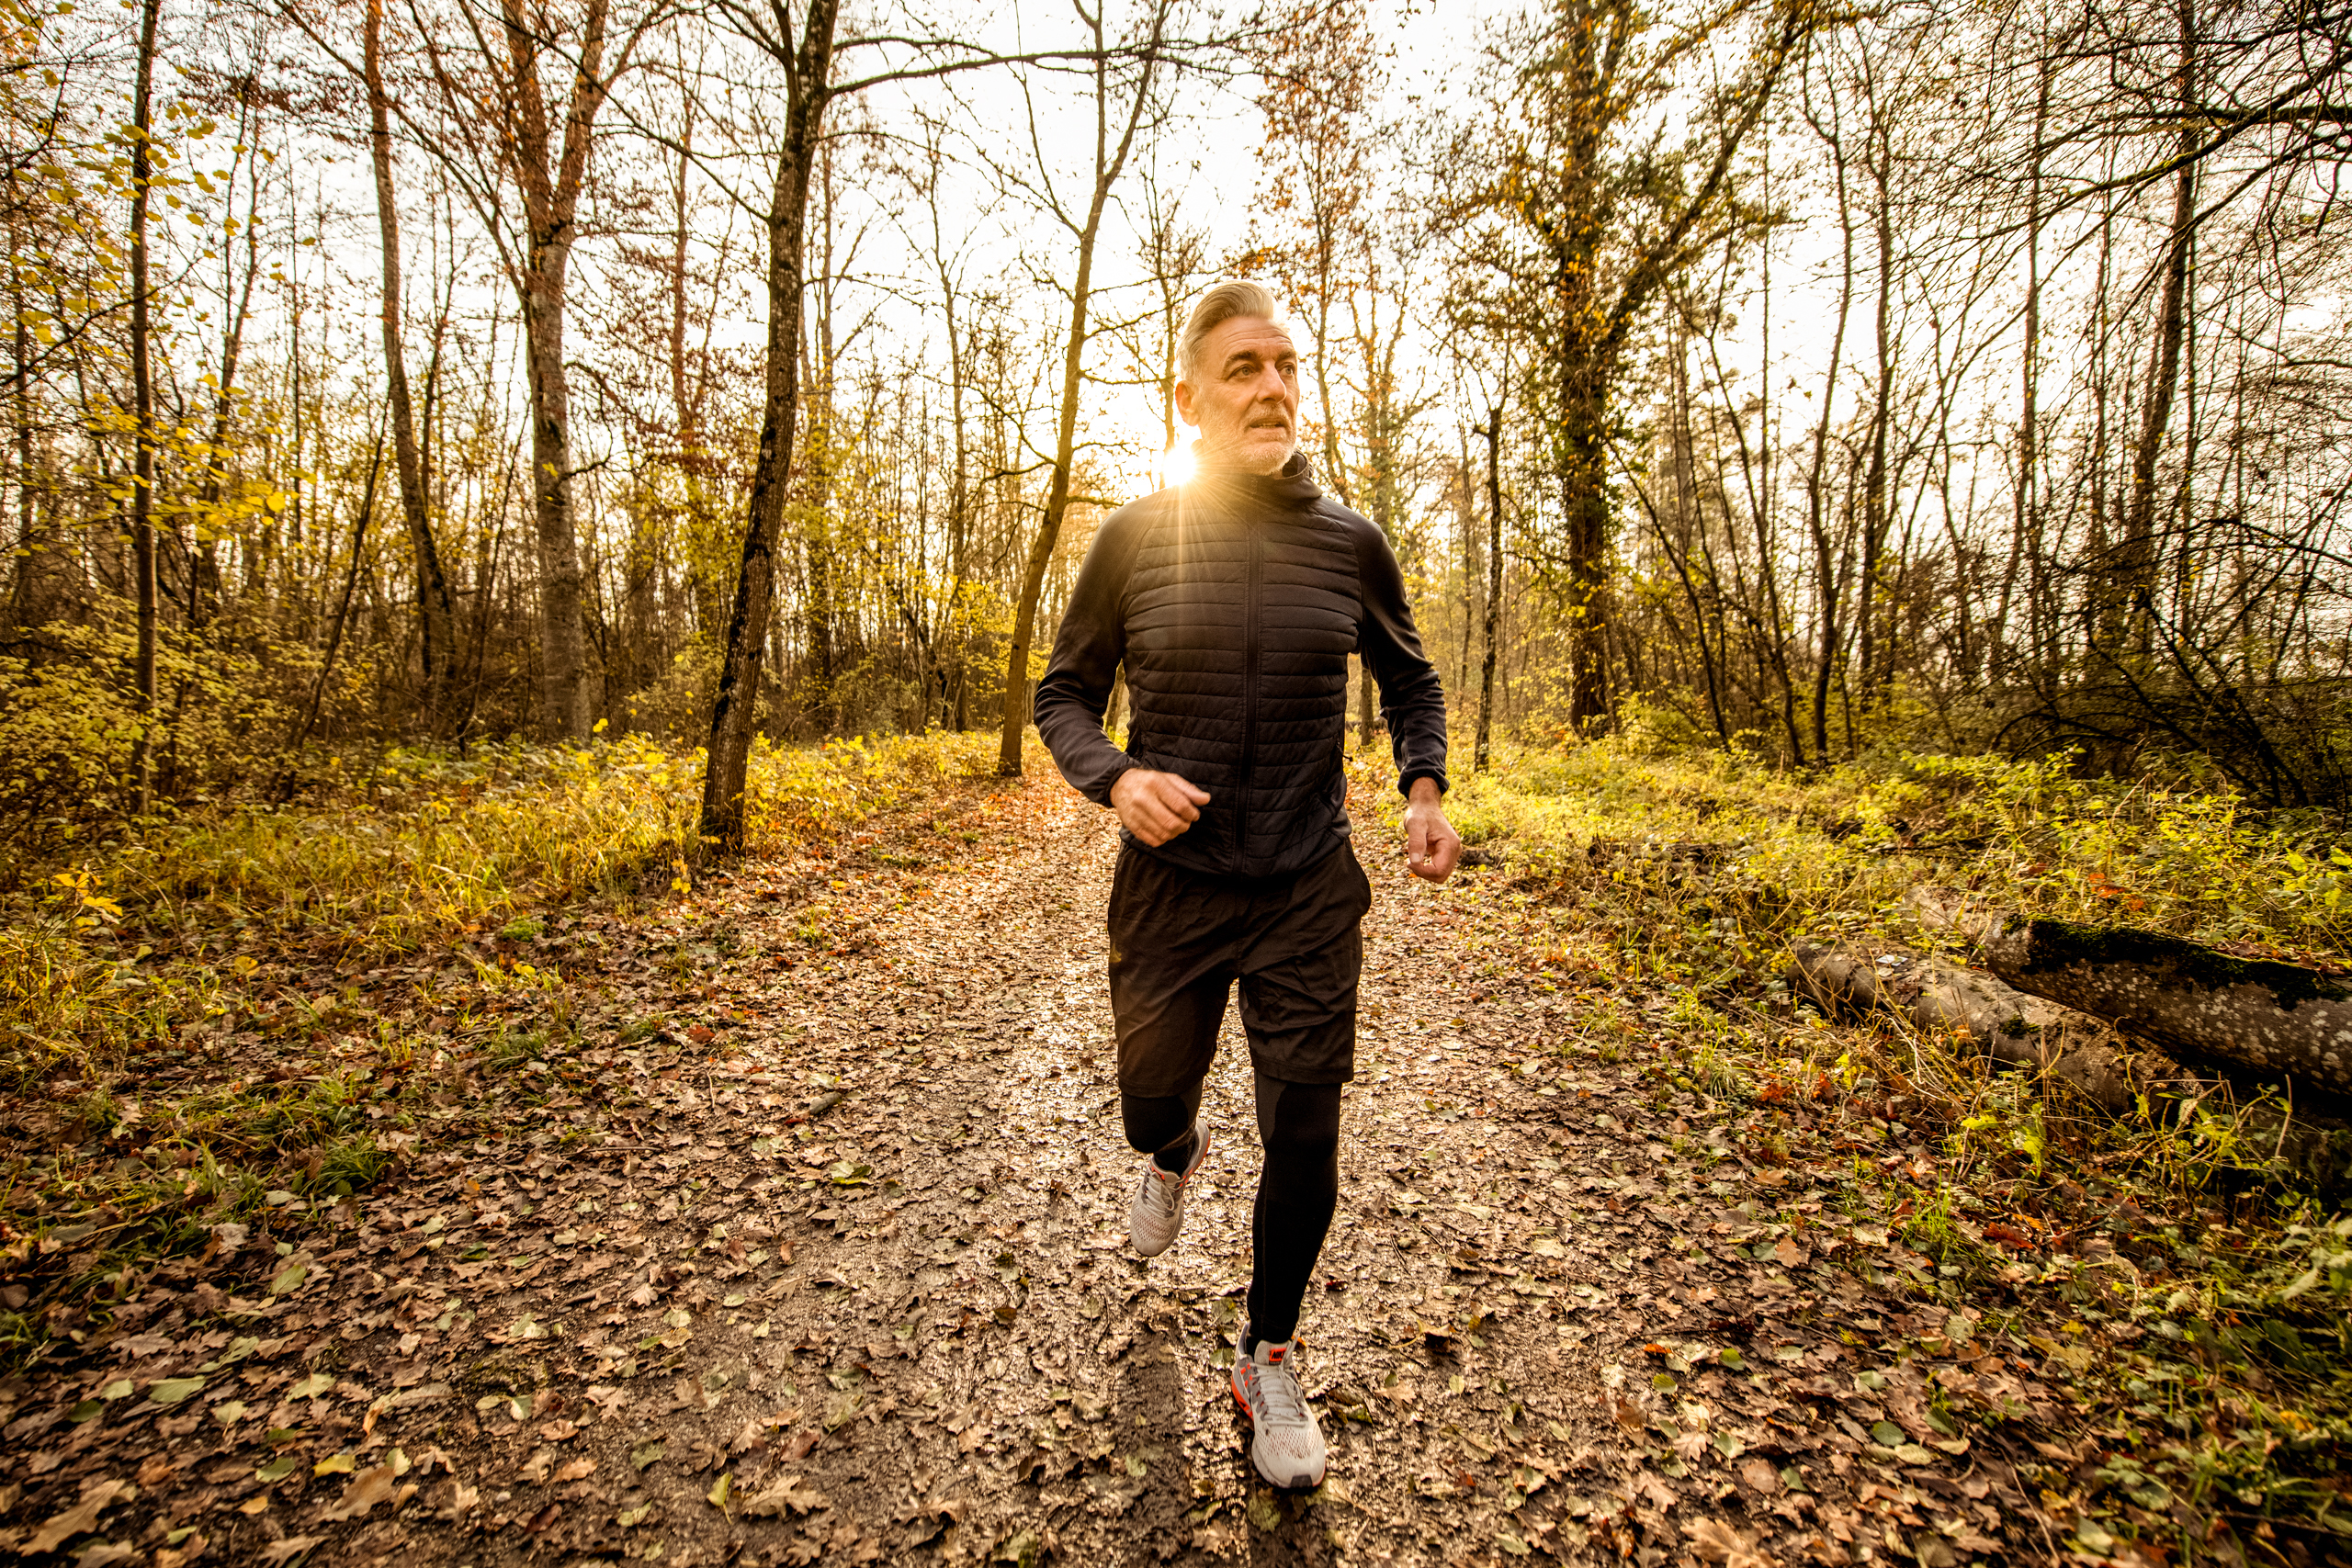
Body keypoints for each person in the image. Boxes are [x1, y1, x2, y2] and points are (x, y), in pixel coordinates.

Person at [1034, 279, 1460, 1491]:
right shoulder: (1135, 538)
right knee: (1146, 1102)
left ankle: (1268, 1354)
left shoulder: (1350, 541)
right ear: (1189, 400)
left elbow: (1410, 679)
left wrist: (1424, 789)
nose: (1273, 387)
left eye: (1286, 364)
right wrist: (1117, 779)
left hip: (1305, 882)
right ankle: (1173, 1151)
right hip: (1171, 888)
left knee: (1308, 1127)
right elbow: (1062, 695)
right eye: (1243, 369)